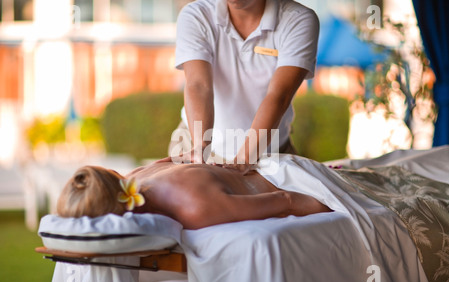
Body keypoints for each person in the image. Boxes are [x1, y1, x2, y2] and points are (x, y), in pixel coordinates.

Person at [169, 0, 320, 173]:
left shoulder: (298, 19)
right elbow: (198, 85)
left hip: (268, 154)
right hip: (193, 143)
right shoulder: (196, 15)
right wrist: (200, 147)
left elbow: (279, 95)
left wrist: (245, 158)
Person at [56, 160, 332, 230]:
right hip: (269, 166)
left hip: (298, 180)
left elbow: (286, 201)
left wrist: (340, 208)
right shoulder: (134, 177)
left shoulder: (194, 207)